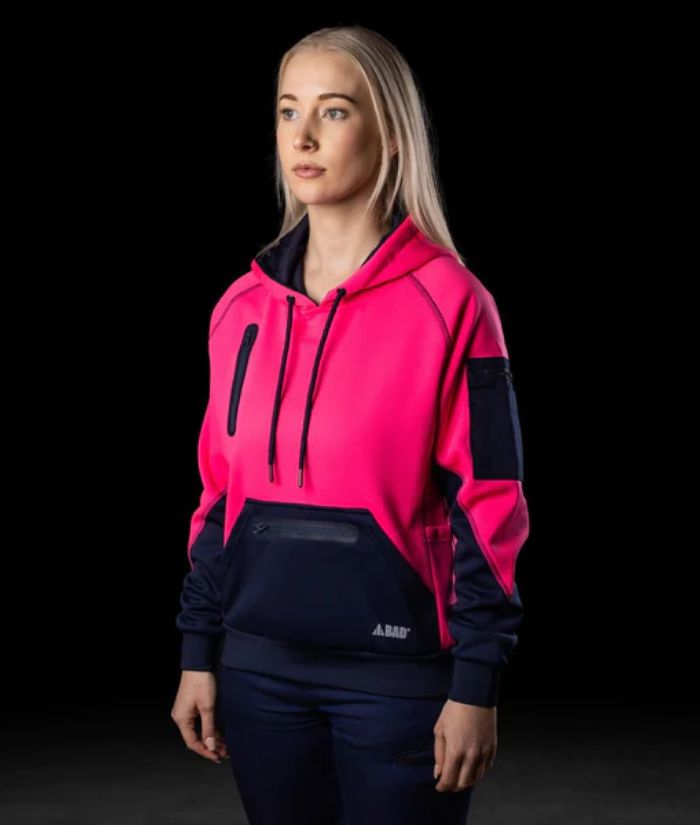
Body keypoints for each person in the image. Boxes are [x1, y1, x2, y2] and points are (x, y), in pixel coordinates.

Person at [170, 23, 530, 825]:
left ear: (390, 132)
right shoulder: (240, 308)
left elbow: (492, 505)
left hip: (399, 683)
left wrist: (476, 682)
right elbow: (218, 497)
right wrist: (199, 651)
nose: (302, 136)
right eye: (287, 110)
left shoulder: (455, 303)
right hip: (259, 675)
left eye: (333, 111)